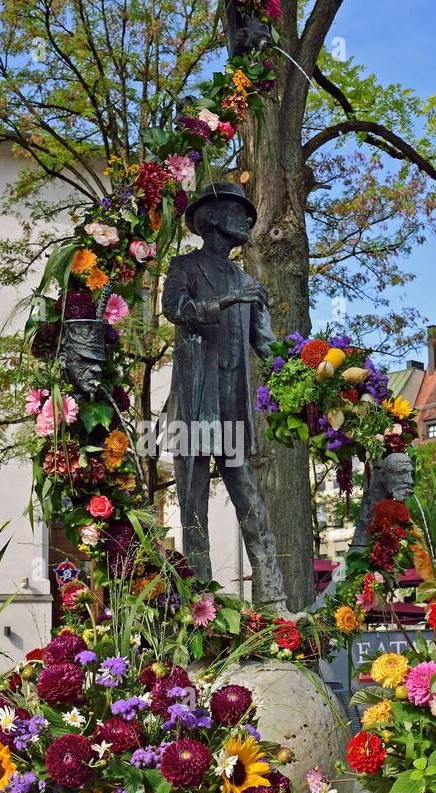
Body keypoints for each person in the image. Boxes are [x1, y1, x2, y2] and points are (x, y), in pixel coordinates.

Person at [162, 182, 286, 609]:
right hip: (196, 409)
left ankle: (270, 597)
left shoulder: (248, 281)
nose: (248, 220)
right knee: (193, 509)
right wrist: (231, 299)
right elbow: (176, 310)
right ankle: (201, 604)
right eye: (239, 211)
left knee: (249, 498)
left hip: (232, 410)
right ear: (212, 217)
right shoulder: (186, 267)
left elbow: (268, 348)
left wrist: (319, 375)